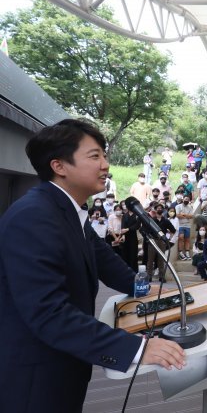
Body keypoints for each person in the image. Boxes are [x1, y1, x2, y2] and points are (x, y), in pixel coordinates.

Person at [0, 119, 185, 412]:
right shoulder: (33, 216)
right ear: (59, 166)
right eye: (94, 156)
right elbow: (49, 313)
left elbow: (104, 260)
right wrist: (138, 348)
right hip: (35, 376)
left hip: (65, 363)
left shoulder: (69, 210)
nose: (105, 164)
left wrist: (145, 290)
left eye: (104, 155)